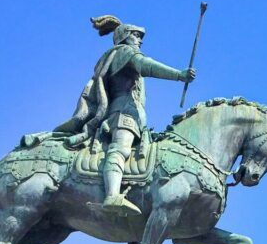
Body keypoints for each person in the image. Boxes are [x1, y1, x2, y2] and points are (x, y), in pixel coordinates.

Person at [55, 15, 196, 213]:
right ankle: (112, 195)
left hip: (136, 116)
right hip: (122, 114)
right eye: (136, 36)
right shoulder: (124, 52)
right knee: (120, 149)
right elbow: (147, 66)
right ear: (125, 37)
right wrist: (178, 75)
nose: (140, 40)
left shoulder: (123, 54)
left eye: (140, 37)